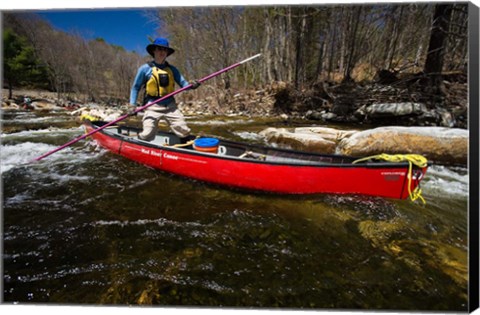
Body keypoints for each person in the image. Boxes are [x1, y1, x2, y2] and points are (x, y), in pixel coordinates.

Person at [129, 37, 200, 142]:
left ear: (167, 53)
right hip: (152, 105)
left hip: (170, 106)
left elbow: (184, 84)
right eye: (159, 49)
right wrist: (132, 105)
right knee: (148, 133)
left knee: (183, 130)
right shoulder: (145, 69)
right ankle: (137, 145)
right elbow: (135, 88)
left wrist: (192, 85)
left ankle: (186, 148)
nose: (162, 52)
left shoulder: (172, 70)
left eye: (165, 49)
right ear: (154, 51)